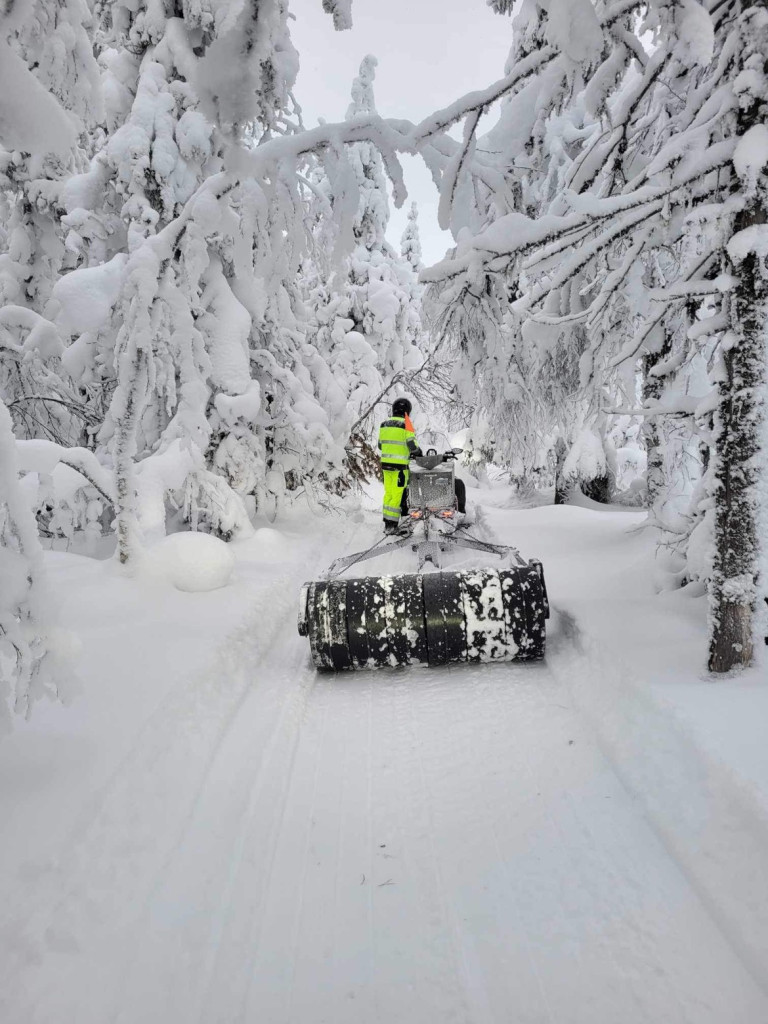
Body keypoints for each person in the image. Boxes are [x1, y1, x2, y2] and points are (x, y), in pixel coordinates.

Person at [377, 397, 419, 532]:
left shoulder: (384, 424)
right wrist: (417, 452)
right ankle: (392, 525)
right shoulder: (406, 425)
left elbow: (380, 445)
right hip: (400, 467)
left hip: (385, 465)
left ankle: (387, 522)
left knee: (388, 493)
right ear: (407, 411)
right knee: (397, 495)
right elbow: (412, 444)